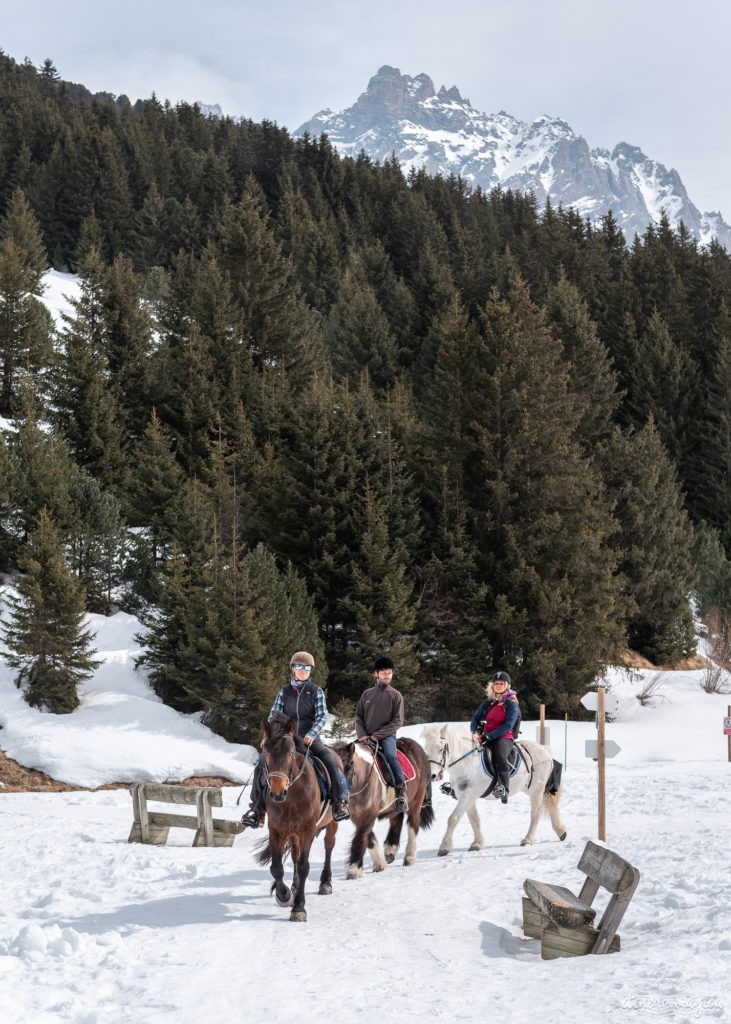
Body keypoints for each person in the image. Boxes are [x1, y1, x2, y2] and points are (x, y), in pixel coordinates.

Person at [241, 651, 350, 827]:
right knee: (261, 763)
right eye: (299, 666)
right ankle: (257, 809)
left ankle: (339, 803)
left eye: (306, 667)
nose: (303, 670)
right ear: (293, 669)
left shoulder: (316, 692)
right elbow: (273, 716)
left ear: (310, 671)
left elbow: (322, 716)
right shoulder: (284, 692)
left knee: (329, 760)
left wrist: (312, 734)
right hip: (285, 739)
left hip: (309, 738)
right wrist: (267, 736)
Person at [354, 656, 408, 813]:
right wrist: (363, 735)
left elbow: (398, 721)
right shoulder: (367, 694)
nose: (387, 675)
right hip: (365, 737)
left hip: (386, 737)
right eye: (383, 672)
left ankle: (400, 791)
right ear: (375, 674)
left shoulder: (396, 695)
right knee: (348, 755)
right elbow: (358, 717)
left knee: (391, 756)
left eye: (389, 672)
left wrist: (377, 736)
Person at [470, 670, 520, 804]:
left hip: (504, 737)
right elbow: (476, 717)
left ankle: (504, 788)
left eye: (501, 683)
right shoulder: (488, 702)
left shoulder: (511, 703)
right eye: (496, 683)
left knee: (499, 755)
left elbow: (509, 725)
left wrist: (490, 736)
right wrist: (474, 731)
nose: (498, 686)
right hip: (486, 736)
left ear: (507, 685)